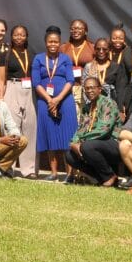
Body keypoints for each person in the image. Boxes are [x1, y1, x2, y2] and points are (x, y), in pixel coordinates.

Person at [33, 26, 78, 181]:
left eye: (56, 42)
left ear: (60, 43)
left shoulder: (65, 58)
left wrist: (58, 99)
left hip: (65, 101)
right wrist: (49, 99)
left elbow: (70, 80)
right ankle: (53, 173)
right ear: (46, 43)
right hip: (44, 101)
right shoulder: (38, 58)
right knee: (50, 135)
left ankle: (70, 174)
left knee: (68, 137)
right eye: (50, 41)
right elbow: (36, 82)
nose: (53, 44)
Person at [64, 76, 122, 186]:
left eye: (92, 88)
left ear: (99, 89)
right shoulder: (87, 108)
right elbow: (81, 128)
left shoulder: (108, 103)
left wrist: (81, 143)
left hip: (112, 143)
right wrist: (73, 143)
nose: (89, 91)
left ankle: (110, 176)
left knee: (87, 146)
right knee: (69, 155)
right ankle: (101, 178)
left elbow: (103, 130)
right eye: (86, 88)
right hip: (93, 144)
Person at [0, 24, 37, 178]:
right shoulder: (5, 55)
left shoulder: (32, 54)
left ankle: (29, 169)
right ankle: (8, 167)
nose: (19, 37)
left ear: (26, 37)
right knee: (12, 129)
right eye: (16, 35)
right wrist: (0, 98)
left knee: (30, 128)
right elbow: (0, 79)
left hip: (29, 91)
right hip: (12, 88)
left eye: (22, 35)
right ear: (11, 37)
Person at [60, 19, 93, 106]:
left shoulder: (92, 48)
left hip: (86, 89)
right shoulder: (63, 48)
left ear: (85, 31)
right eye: (73, 28)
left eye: (79, 28)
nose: (76, 31)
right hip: (68, 88)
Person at [109, 25, 131, 113]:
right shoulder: (106, 53)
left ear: (124, 39)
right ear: (110, 39)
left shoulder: (129, 53)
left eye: (120, 38)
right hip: (108, 90)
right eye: (114, 38)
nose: (117, 41)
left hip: (123, 90)